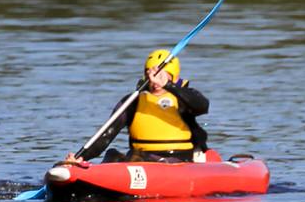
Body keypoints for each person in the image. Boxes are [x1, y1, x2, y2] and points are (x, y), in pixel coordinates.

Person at [68, 49, 211, 164]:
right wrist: (81, 157)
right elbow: (105, 136)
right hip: (141, 159)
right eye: (151, 74)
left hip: (179, 160)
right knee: (112, 155)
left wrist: (168, 86)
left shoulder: (184, 97)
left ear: (174, 77)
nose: (156, 80)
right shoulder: (133, 101)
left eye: (163, 75)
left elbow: (203, 106)